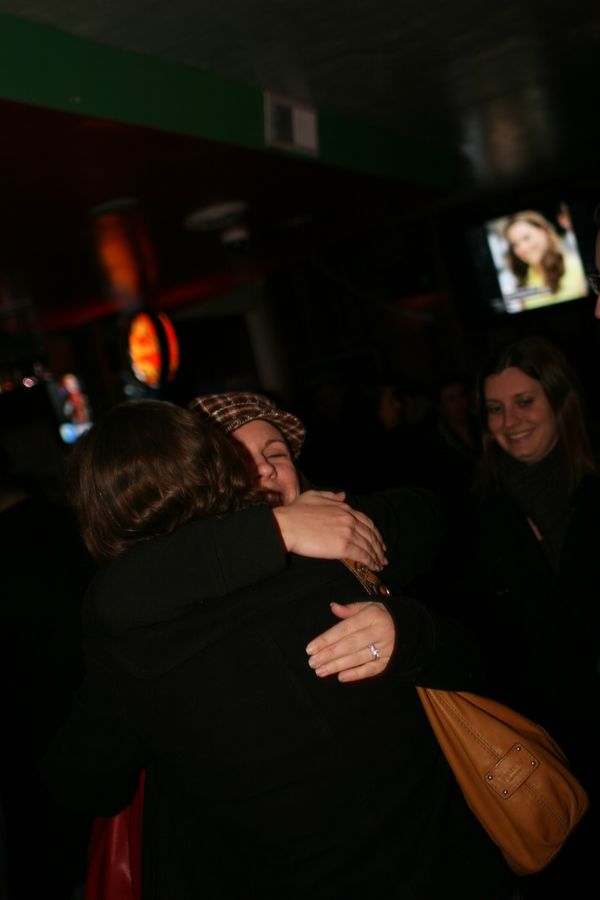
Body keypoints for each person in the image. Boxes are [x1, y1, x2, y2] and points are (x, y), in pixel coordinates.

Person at [40, 399, 518, 900]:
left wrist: (408, 630)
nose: (264, 470)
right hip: (460, 870)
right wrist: (282, 529)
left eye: (276, 452)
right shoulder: (323, 559)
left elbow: (79, 783)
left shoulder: (136, 643)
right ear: (217, 469)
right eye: (243, 457)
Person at [454, 335, 599, 899]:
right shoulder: (479, 510)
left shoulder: (594, 487)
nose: (509, 422)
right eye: (495, 408)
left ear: (560, 402)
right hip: (548, 746)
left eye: (524, 402)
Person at [503, 209, 587, 309]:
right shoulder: (524, 281)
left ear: (543, 231)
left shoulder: (576, 266)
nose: (522, 249)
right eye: (515, 244)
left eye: (526, 238)